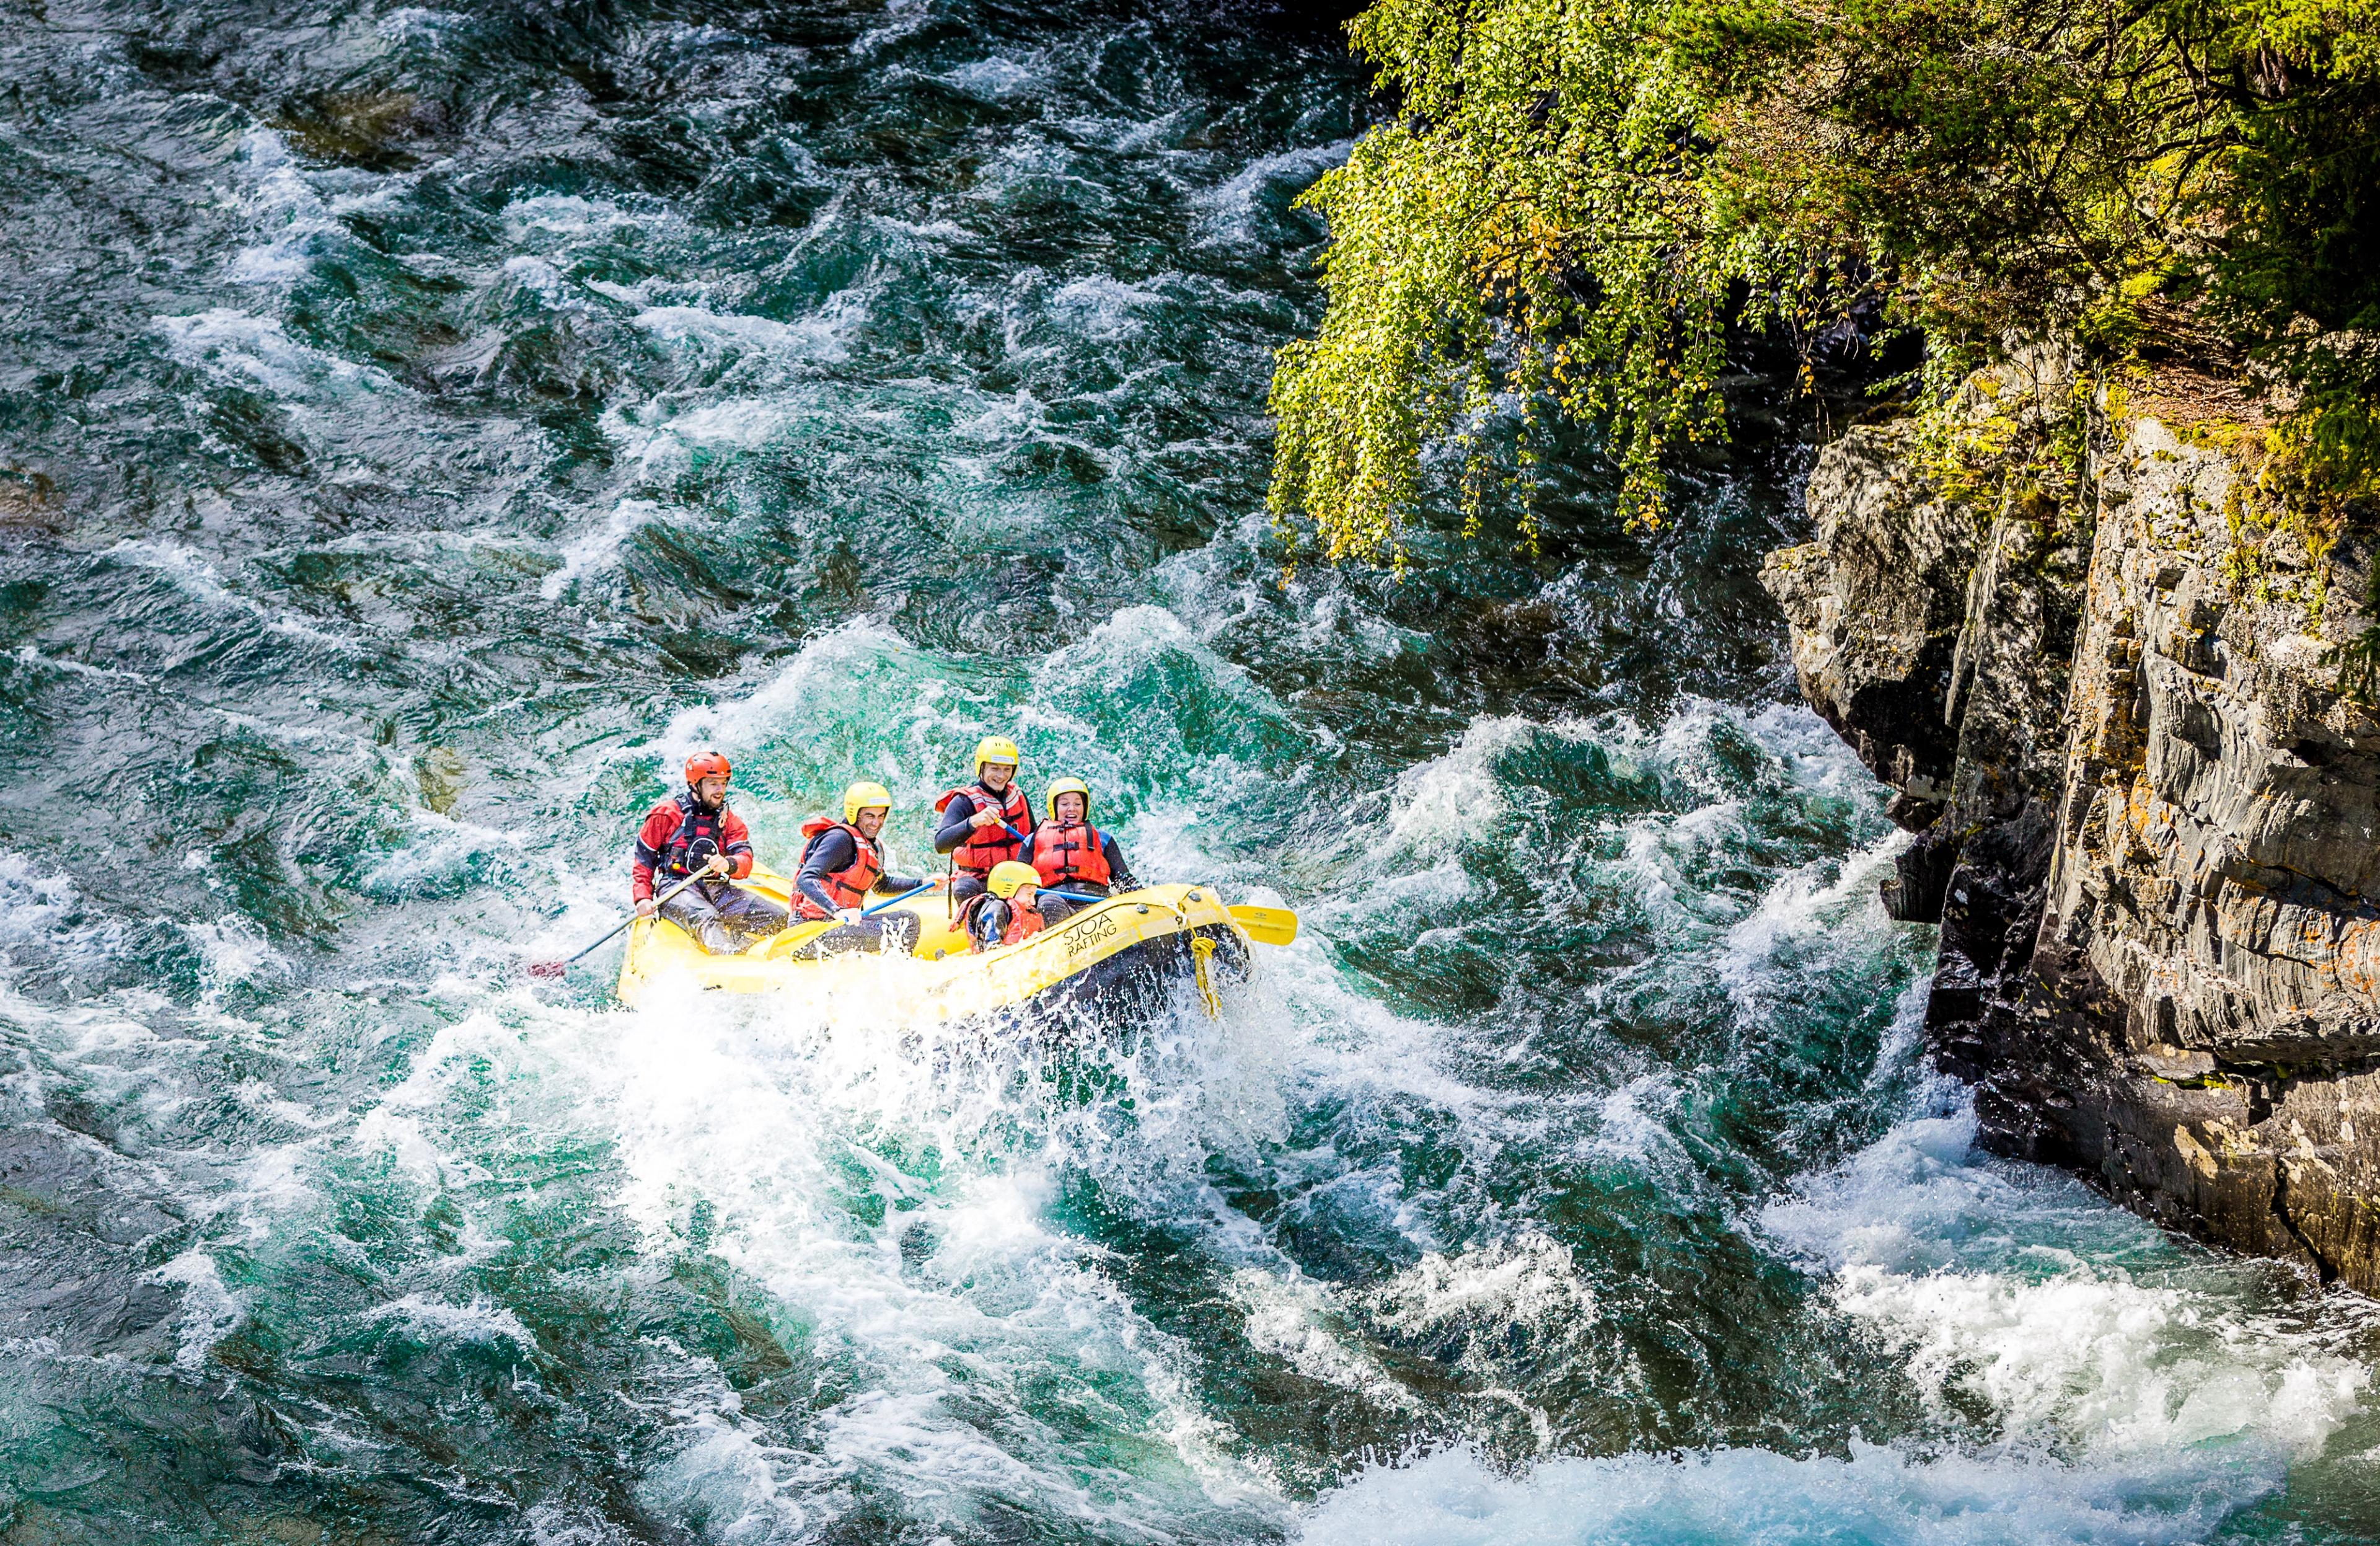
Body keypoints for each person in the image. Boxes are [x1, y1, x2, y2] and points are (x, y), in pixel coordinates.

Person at [632, 751, 788, 955]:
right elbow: (644, 859)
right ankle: (728, 957)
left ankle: (745, 941)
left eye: (723, 784)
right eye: (713, 784)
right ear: (696, 784)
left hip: (716, 888)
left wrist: (729, 864)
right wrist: (642, 898)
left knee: (777, 917)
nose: (720, 790)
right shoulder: (667, 815)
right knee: (706, 916)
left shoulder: (729, 820)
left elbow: (744, 859)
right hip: (676, 888)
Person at [791, 781, 929, 956]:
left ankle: (891, 967)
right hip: (811, 932)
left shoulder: (873, 847)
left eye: (881, 816)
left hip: (840, 926)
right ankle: (894, 971)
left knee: (909, 921)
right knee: (895, 931)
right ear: (855, 814)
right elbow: (806, 878)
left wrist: (923, 882)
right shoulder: (839, 839)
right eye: (870, 816)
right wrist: (837, 911)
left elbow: (882, 886)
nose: (876, 823)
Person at [1019, 776, 1137, 922]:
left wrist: (1142, 896)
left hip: (1096, 901)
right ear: (1053, 807)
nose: (1072, 808)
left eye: (1077, 803)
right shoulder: (1032, 840)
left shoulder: (1103, 838)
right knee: (1048, 903)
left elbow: (1123, 879)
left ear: (1085, 807)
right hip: (1055, 902)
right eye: (1064, 804)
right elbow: (1020, 882)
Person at [933, 736, 1034, 906]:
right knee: (963, 888)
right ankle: (983, 925)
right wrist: (973, 821)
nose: (1001, 776)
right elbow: (941, 844)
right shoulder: (963, 801)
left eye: (1007, 769)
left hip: (1016, 880)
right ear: (982, 767)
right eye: (994, 769)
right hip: (979, 880)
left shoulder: (1018, 796)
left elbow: (1034, 838)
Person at [959, 860, 1047, 953]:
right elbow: (992, 946)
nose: (1033, 902)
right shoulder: (997, 908)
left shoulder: (1029, 911)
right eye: (1029, 894)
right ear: (1009, 889)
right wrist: (994, 946)